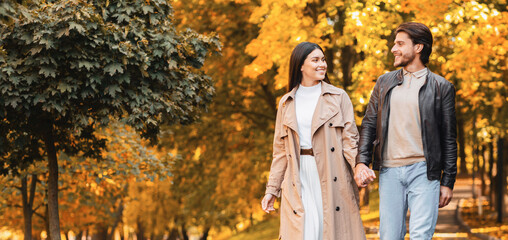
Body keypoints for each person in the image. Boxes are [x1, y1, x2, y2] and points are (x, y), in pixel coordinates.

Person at [354, 22, 457, 240]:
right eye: (394, 44)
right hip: (390, 171)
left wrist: (448, 181)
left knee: (421, 235)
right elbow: (369, 124)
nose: (394, 49)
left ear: (418, 47)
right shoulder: (384, 82)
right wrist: (361, 162)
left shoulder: (441, 87)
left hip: (424, 171)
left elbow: (448, 138)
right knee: (390, 236)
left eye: (400, 44)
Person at [261, 42, 366, 240]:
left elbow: (349, 140)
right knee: (305, 232)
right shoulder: (286, 103)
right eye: (315, 60)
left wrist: (359, 167)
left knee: (330, 230)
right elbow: (281, 152)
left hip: (332, 172)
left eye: (323, 60)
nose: (322, 65)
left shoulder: (338, 97)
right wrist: (271, 191)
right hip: (298, 176)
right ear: (301, 65)